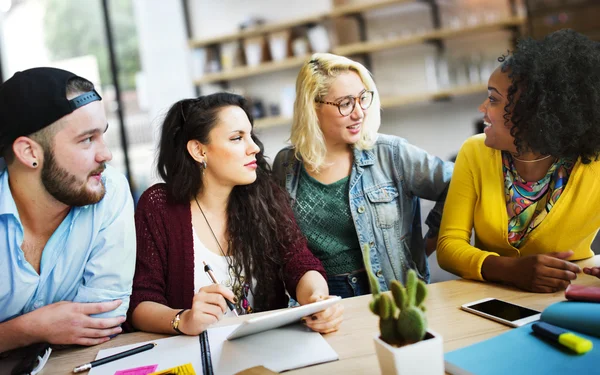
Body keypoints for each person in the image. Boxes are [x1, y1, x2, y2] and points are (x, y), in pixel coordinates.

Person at [128, 93, 343, 336]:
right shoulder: (159, 206)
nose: (255, 148)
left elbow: (300, 263)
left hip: (265, 347)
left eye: (250, 135)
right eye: (237, 138)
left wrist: (317, 298)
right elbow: (141, 302)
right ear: (199, 150)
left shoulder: (264, 193)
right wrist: (183, 319)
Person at [272, 53, 453, 298]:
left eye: (363, 99)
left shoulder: (391, 153)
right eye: (345, 103)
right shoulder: (286, 165)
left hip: (390, 294)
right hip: (321, 299)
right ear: (313, 106)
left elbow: (457, 183)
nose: (359, 113)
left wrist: (426, 244)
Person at [437, 29, 600, 293]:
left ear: (533, 113)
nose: (482, 110)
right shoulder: (474, 152)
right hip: (491, 297)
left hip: (568, 294)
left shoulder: (593, 164)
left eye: (493, 99)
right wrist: (509, 270)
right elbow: (448, 246)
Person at [0, 68, 135, 353]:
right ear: (29, 153)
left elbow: (103, 320)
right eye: (87, 139)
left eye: (103, 136)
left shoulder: (109, 190)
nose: (106, 155)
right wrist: (29, 329)